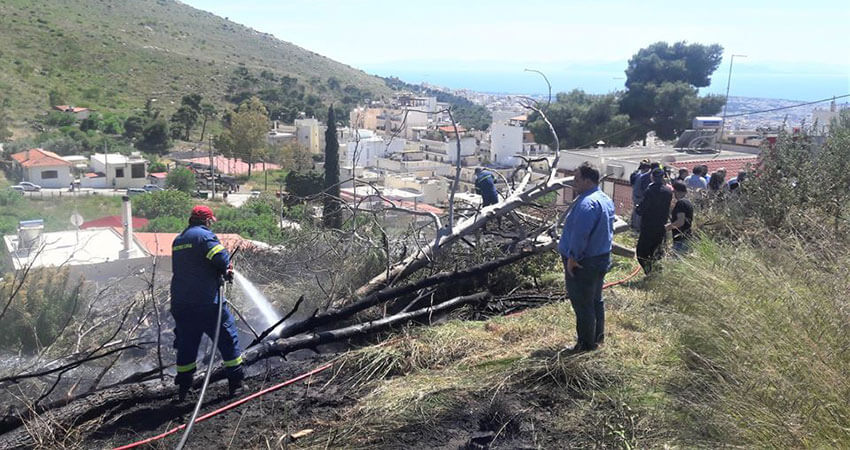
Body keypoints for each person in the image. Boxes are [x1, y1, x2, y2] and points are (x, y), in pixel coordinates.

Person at [170, 205, 243, 401]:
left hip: (182, 304)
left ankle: (183, 390)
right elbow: (219, 257)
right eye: (211, 221)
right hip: (206, 302)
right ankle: (236, 385)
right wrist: (225, 268)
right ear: (207, 221)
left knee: (187, 346)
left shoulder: (178, 240)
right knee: (227, 338)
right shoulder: (204, 236)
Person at [558, 162, 615, 353]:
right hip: (601, 257)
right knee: (596, 300)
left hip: (584, 262)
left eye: (577, 179)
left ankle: (584, 345)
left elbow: (581, 234)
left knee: (583, 304)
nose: (574, 182)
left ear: (587, 180)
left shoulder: (586, 203)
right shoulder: (605, 199)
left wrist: (573, 258)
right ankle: (597, 339)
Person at [635, 168, 672, 274]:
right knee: (657, 251)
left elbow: (643, 208)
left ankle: (649, 271)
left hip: (648, 226)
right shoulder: (668, 192)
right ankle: (655, 272)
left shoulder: (650, 191)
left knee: (641, 252)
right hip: (661, 226)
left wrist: (638, 208)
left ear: (652, 177)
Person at [666, 181, 694, 253]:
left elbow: (680, 222)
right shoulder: (688, 202)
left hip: (680, 238)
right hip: (687, 236)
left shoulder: (680, 203)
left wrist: (666, 228)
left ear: (676, 191)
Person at [629, 160, 651, 231]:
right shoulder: (643, 177)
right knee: (639, 212)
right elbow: (644, 188)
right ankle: (637, 227)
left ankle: (633, 224)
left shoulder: (636, 174)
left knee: (635, 210)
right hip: (640, 196)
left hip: (635, 195)